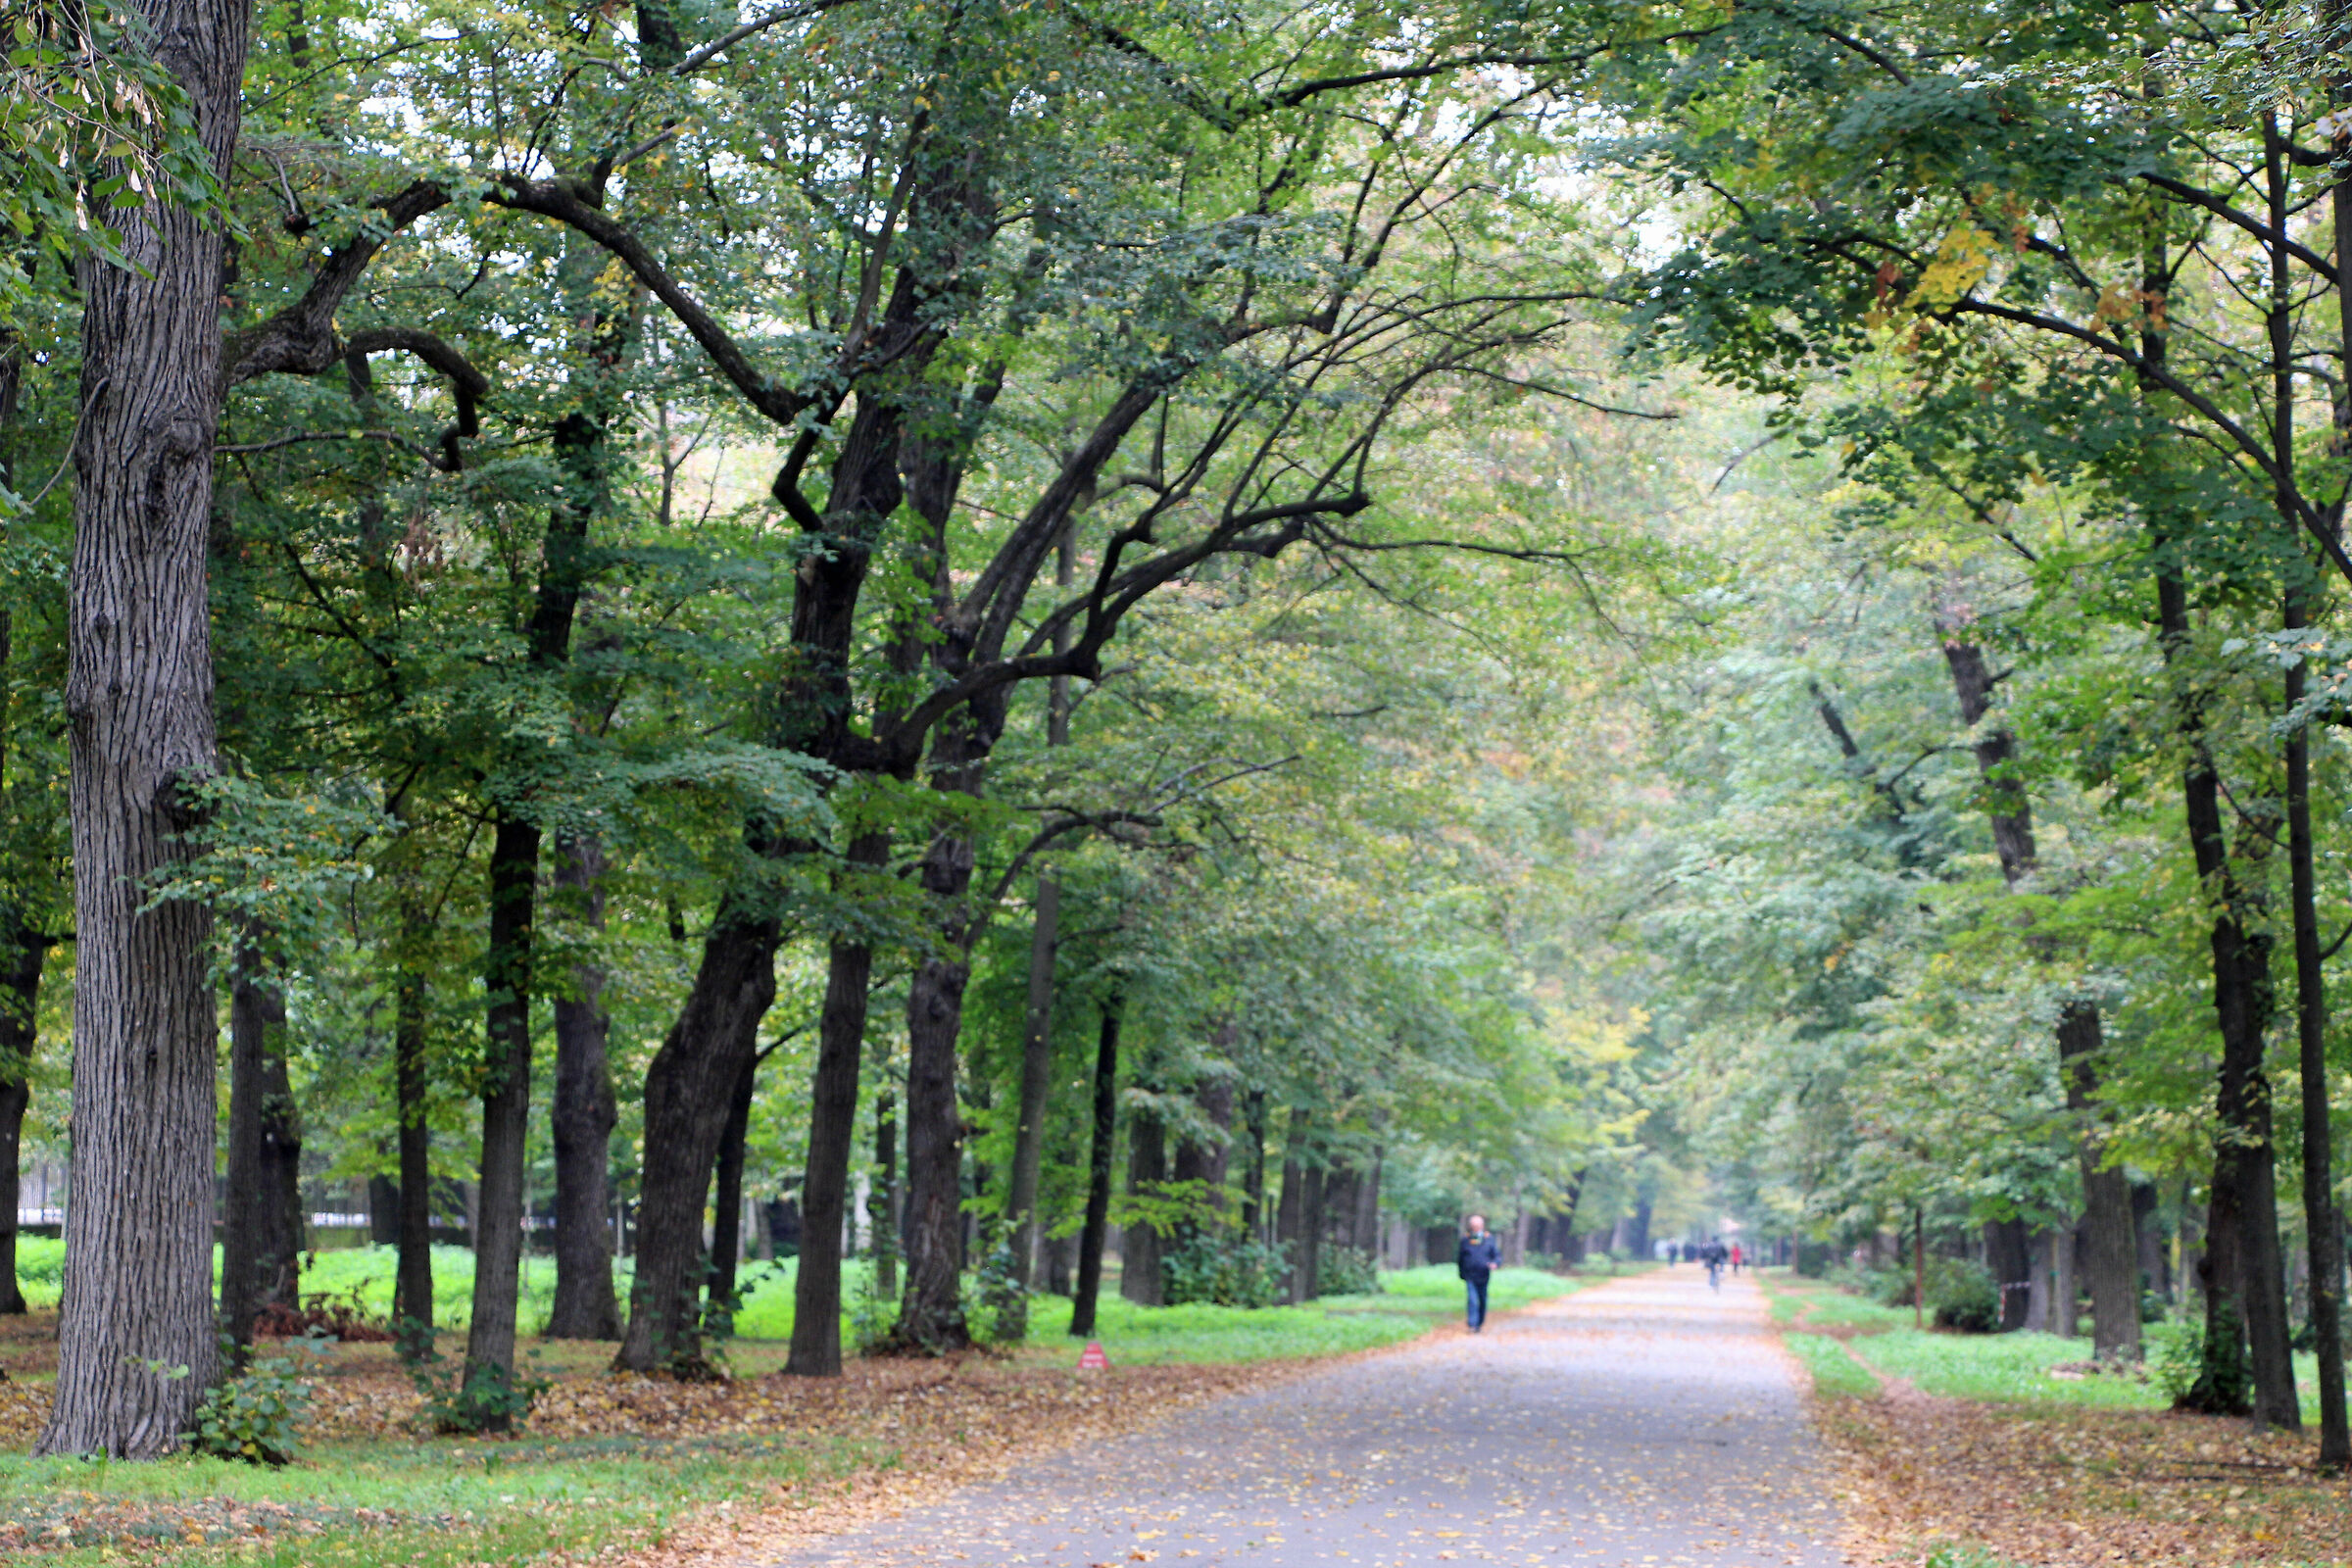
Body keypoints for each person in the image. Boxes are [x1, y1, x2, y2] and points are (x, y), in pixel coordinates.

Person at [1457, 1213, 1502, 1332]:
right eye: (1473, 1226)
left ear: (1482, 1226)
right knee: (1472, 1299)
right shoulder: (1466, 1239)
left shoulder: (1489, 1239)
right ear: (1470, 1226)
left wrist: (1495, 1264)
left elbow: (1497, 1256)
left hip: (1483, 1275)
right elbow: (1460, 1258)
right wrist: (1461, 1273)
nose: (1475, 1228)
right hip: (1470, 1275)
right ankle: (1472, 1324)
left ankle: (1479, 1323)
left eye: (1477, 1226)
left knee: (1482, 1300)